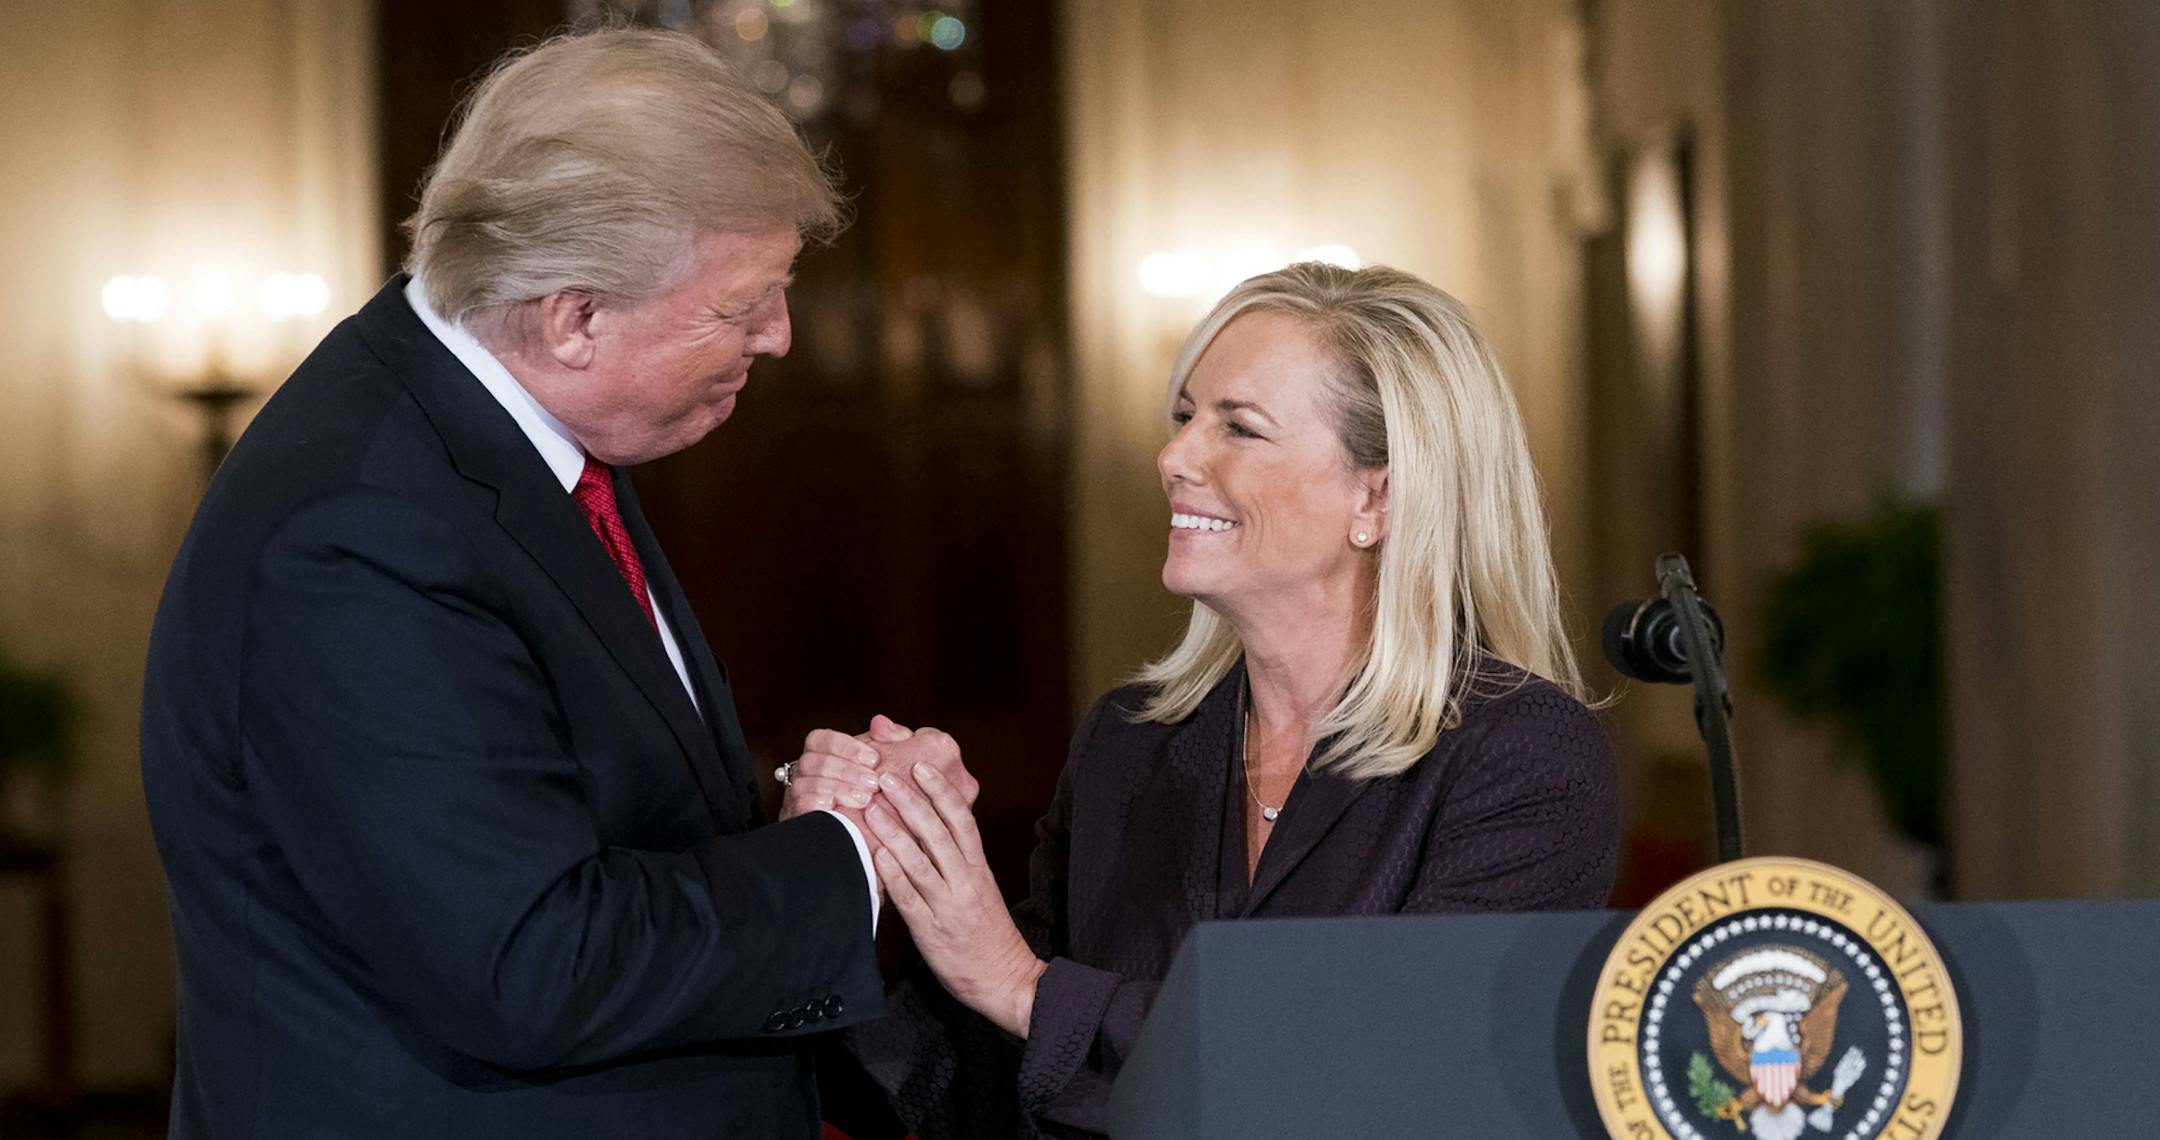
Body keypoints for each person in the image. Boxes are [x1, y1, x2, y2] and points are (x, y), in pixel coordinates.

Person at [138, 29, 951, 1139]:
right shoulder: (360, 530)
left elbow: (589, 826)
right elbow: (533, 961)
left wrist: (792, 829)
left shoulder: (501, 444)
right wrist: (850, 850)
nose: (781, 337)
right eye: (743, 303)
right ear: (576, 317)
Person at [795, 262, 1622, 1138]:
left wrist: (1022, 985)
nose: (1175, 457)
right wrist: (862, 861)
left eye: (1240, 428)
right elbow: (971, 1086)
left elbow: (1387, 1083)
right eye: (1187, 416)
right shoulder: (1129, 742)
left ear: (1376, 495)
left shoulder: (1522, 756)